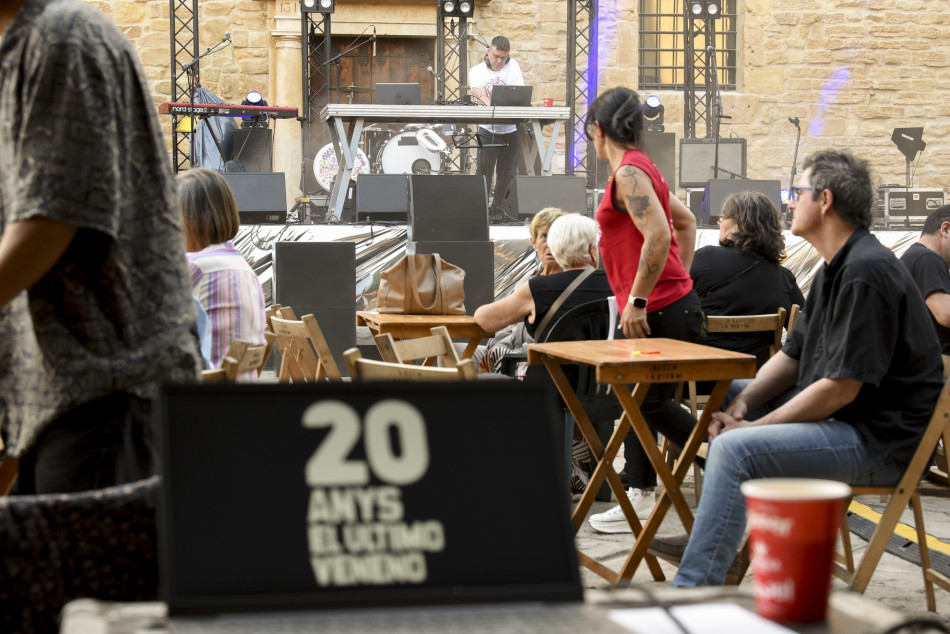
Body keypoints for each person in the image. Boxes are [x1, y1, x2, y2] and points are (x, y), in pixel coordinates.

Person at [672, 149, 943, 586]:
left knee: (734, 449)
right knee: (728, 390)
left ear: (826, 201)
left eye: (796, 193)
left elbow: (839, 389)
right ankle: (720, 541)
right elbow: (792, 356)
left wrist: (753, 429)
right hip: (851, 422)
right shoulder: (837, 266)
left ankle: (694, 590)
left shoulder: (866, 273)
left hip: (881, 443)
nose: (789, 203)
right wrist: (742, 403)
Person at [0, 0, 201, 494]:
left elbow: (49, 221)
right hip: (58, 409)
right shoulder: (26, 50)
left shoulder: (62, 37)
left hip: (103, 403)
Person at [584, 87, 704, 529]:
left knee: (644, 404)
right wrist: (678, 282)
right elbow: (686, 222)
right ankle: (640, 493)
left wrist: (641, 298)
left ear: (598, 131)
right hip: (667, 303)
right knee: (633, 399)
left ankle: (733, 460)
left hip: (654, 308)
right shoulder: (643, 168)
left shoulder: (630, 174)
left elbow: (658, 235)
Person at [691, 190, 805, 368]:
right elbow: (805, 330)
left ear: (738, 223)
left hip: (701, 378)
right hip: (760, 381)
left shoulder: (704, 258)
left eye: (722, 217)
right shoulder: (782, 277)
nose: (719, 222)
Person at [179, 168, 267, 378]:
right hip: (241, 397)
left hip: (205, 398)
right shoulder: (243, 267)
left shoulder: (193, 266)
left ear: (189, 221)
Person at [470, 207, 565, 373]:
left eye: (556, 237)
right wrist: (497, 348)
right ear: (533, 243)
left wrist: (501, 353)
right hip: (510, 349)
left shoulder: (565, 281)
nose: (550, 243)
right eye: (544, 236)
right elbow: (509, 327)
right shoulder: (530, 277)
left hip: (530, 360)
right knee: (451, 351)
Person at [469, 35, 525, 219]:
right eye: (496, 57)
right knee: (485, 170)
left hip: (510, 130)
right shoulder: (477, 71)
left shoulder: (513, 66)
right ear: (488, 52)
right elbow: (479, 93)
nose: (499, 61)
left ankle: (497, 208)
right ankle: (481, 211)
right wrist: (492, 106)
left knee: (507, 172)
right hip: (488, 129)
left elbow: (518, 92)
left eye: (503, 58)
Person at [900, 205, 950, 354]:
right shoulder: (927, 259)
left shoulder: (915, 256)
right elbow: (946, 315)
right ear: (945, 229)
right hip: (937, 361)